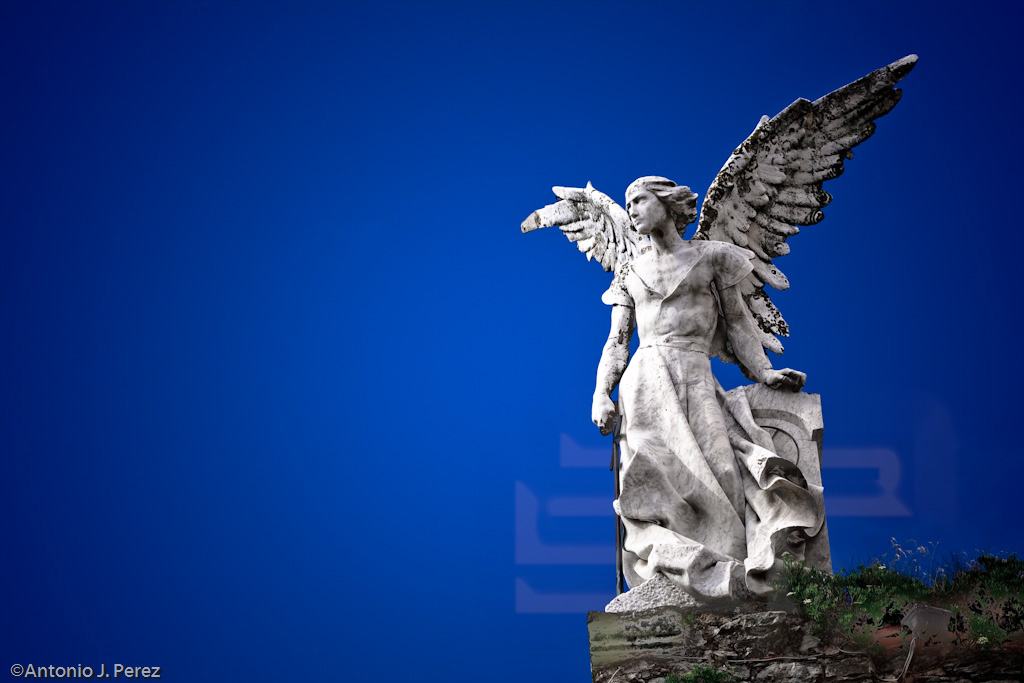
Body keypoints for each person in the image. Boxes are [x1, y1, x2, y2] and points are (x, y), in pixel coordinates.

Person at [592, 176, 824, 602]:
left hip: (695, 371)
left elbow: (737, 322)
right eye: (628, 203)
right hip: (644, 383)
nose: (631, 210)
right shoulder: (629, 271)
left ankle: (726, 569)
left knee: (720, 473)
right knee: (651, 475)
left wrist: (763, 372)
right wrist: (601, 394)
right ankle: (670, 570)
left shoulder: (712, 256)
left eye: (639, 200)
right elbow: (617, 341)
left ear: (667, 204)